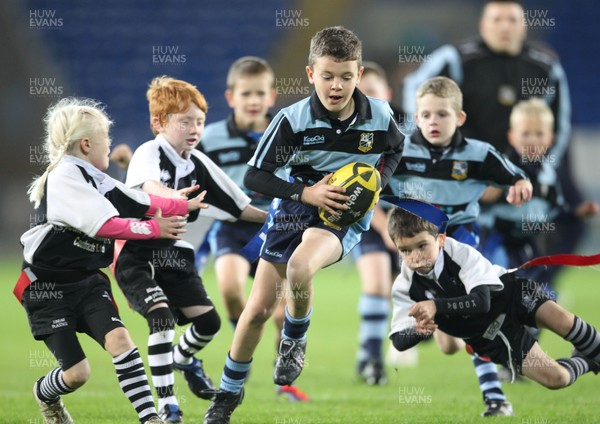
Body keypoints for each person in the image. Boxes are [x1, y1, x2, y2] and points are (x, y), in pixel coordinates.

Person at [203, 26, 404, 423]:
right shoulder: (291, 121)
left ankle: (294, 340)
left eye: (346, 76)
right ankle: (226, 397)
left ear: (359, 74)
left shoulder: (379, 114)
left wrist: (378, 181)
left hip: (342, 218)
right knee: (258, 310)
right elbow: (255, 178)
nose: (336, 85)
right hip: (293, 212)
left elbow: (395, 148)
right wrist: (306, 193)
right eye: (327, 76)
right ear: (311, 74)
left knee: (300, 265)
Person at [15, 97, 208, 424]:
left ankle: (151, 419)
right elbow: (105, 225)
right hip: (47, 289)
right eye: (106, 138)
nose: (110, 145)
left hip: (87, 282)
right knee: (77, 374)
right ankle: (44, 393)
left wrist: (179, 205)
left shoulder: (91, 174)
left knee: (120, 340)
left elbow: (134, 200)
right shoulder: (65, 175)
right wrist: (153, 228)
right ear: (87, 143)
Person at [402, 0, 584, 295]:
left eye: (511, 20)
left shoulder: (544, 66)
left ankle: (539, 288)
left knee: (570, 220)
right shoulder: (457, 59)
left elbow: (560, 126)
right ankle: (440, 300)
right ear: (483, 25)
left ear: (523, 26)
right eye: (496, 19)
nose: (504, 27)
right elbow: (415, 91)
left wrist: (541, 173)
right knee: (467, 243)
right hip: (466, 173)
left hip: (526, 171)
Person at [114, 76, 267, 423]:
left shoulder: (197, 161)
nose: (194, 127)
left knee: (209, 323)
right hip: (136, 253)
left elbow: (238, 206)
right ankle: (168, 407)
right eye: (184, 120)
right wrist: (178, 199)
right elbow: (151, 186)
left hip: (175, 253)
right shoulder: (148, 152)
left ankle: (184, 359)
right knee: (162, 320)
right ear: (158, 123)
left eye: (199, 120)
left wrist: (289, 215)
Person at [392, 76, 533, 416]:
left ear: (459, 118)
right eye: (425, 115)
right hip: (420, 248)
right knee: (448, 347)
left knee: (475, 316)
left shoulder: (478, 154)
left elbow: (515, 176)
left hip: (460, 238)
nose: (433, 122)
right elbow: (372, 184)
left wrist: (520, 185)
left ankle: (495, 397)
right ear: (416, 116)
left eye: (442, 114)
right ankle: (444, 326)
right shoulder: (399, 151)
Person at [387, 199, 600, 403]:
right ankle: (589, 361)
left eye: (422, 246)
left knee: (562, 321)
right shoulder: (405, 285)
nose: (415, 256)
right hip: (488, 338)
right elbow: (398, 339)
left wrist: (436, 306)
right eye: (405, 250)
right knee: (557, 379)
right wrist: (418, 332)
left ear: (440, 239)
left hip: (512, 295)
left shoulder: (460, 253)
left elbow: (482, 301)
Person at [199, 56, 308, 401]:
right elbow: (182, 164)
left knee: (279, 311)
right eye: (246, 94)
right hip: (232, 227)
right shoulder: (210, 137)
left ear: (272, 96)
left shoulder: (285, 132)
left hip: (278, 226)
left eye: (260, 93)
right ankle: (242, 351)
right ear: (231, 97)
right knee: (230, 289)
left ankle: (285, 382)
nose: (253, 101)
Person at [479, 98, 599, 282]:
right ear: (512, 136)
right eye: (526, 134)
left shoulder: (548, 174)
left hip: (526, 244)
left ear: (550, 139)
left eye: (539, 134)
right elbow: (479, 197)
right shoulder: (500, 165)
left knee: (537, 290)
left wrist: (576, 213)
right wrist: (495, 190)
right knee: (500, 288)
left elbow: (553, 211)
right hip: (494, 241)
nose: (532, 140)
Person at [352, 61, 404, 384]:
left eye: (373, 93)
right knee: (376, 284)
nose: (367, 100)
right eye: (361, 94)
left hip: (406, 224)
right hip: (367, 220)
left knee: (405, 291)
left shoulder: (405, 132)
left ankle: (365, 352)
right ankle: (373, 360)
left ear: (388, 94)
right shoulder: (349, 135)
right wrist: (385, 228)